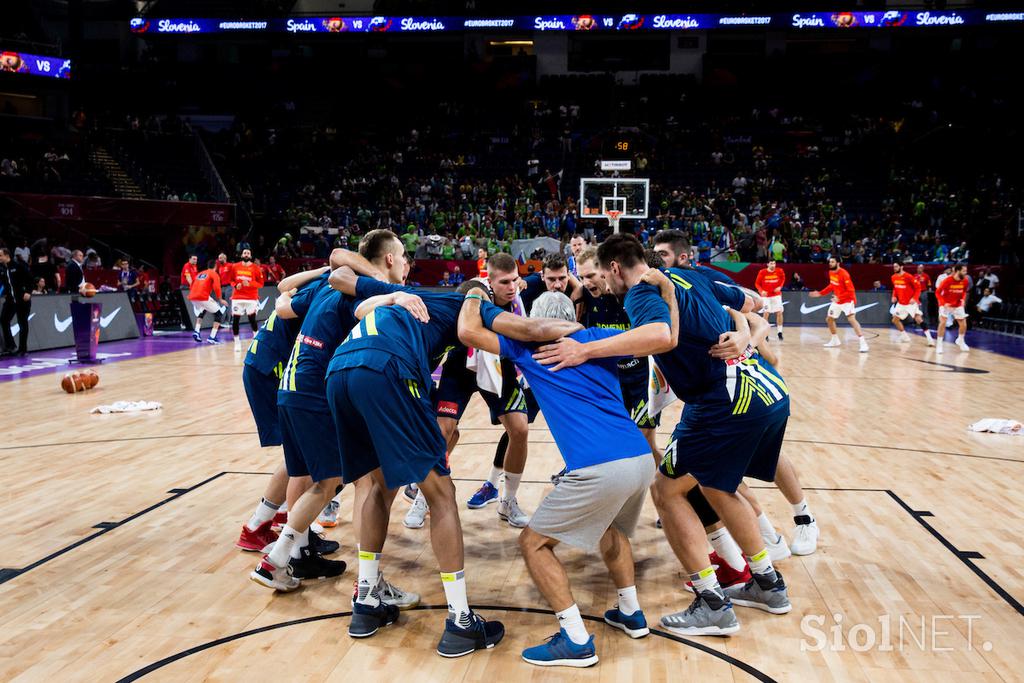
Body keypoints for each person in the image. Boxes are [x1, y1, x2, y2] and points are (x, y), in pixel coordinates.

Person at [533, 234, 792, 636]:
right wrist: (746, 335)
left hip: (723, 400)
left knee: (668, 491)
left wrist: (584, 351)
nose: (601, 281)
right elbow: (752, 303)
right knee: (718, 488)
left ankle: (713, 602)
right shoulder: (691, 275)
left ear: (615, 268)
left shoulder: (639, 292)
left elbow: (660, 336)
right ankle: (768, 582)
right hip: (764, 389)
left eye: (602, 273)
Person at [326, 276, 578, 655]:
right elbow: (531, 328)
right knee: (441, 494)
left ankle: (365, 602)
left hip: (340, 369)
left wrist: (393, 295)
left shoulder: (416, 295)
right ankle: (461, 622)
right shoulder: (469, 304)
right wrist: (590, 336)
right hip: (385, 368)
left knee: (378, 486)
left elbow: (360, 307)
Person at [459, 288, 664, 667]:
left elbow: (468, 332)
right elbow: (657, 337)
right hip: (639, 457)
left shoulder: (528, 348)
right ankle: (631, 613)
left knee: (534, 544)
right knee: (612, 531)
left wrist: (475, 293)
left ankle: (574, 637)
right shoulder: (601, 338)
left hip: (600, 466)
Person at [251, 232, 416, 599]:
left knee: (312, 479)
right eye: (403, 256)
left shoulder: (328, 286)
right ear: (389, 259)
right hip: (316, 392)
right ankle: (365, 582)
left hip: (289, 387)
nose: (406, 263)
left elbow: (282, 305)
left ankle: (288, 556)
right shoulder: (365, 290)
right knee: (359, 483)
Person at [410, 252, 537, 528]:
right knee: (442, 430)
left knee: (520, 428)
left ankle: (508, 501)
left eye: (515, 280)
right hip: (461, 367)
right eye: (504, 282)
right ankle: (423, 497)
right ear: (489, 281)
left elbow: (543, 282)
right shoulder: (475, 292)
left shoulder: (519, 296)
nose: (512, 287)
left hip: (498, 367)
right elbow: (470, 285)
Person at [236, 266, 327, 555]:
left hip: (263, 361)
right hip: (271, 367)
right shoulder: (331, 287)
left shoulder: (320, 280)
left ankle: (281, 518)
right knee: (302, 455)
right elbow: (285, 306)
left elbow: (283, 286)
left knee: (299, 453)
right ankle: (258, 527)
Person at [809, 257, 868, 352]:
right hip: (837, 300)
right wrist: (820, 293)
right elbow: (832, 285)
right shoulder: (831, 272)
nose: (830, 263)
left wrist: (840, 298)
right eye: (829, 262)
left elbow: (851, 291)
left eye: (832, 262)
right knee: (829, 319)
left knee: (851, 319)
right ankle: (835, 340)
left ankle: (863, 343)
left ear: (838, 263)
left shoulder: (844, 274)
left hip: (847, 300)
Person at [229, 249, 265, 352]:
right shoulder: (235, 266)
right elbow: (231, 280)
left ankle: (256, 341)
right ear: (241, 255)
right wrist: (236, 285)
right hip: (237, 297)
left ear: (251, 255)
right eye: (244, 253)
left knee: (252, 320)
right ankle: (237, 343)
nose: (246, 254)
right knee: (235, 320)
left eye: (248, 253)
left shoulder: (256, 268)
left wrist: (249, 284)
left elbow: (261, 284)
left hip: (251, 298)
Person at [890, 263, 933, 345]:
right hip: (901, 303)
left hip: (911, 303)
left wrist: (915, 298)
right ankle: (905, 336)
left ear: (901, 267)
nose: (894, 268)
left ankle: (930, 339)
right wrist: (894, 296)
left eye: (896, 266)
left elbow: (918, 287)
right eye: (894, 267)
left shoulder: (908, 276)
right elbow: (895, 288)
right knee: (895, 320)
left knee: (918, 319)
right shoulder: (893, 277)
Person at [0, 248, 32, 356]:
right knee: (4, 320)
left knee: (22, 323)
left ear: (7, 255)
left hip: (22, 299)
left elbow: (30, 279)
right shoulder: (2, 269)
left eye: (0, 255)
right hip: (10, 300)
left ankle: (23, 349)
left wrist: (28, 291)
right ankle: (11, 346)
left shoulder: (18, 266)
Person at [188, 260, 227, 344]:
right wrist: (220, 299)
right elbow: (217, 287)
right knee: (219, 314)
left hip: (192, 296)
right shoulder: (214, 273)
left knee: (203, 310)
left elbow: (191, 285)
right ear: (215, 267)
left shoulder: (200, 273)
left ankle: (196, 331)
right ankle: (212, 337)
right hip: (202, 296)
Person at [935, 264, 970, 354]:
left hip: (957, 304)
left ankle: (960, 340)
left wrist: (962, 300)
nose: (965, 273)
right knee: (943, 322)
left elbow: (964, 292)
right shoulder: (947, 280)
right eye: (963, 271)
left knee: (963, 324)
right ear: (957, 271)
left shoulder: (965, 281)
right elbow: (938, 293)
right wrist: (943, 303)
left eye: (966, 271)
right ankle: (939, 344)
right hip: (945, 304)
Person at [755, 260, 786, 341]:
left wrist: (780, 287)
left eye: (774, 263)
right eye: (771, 263)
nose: (773, 265)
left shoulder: (780, 271)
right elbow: (757, 284)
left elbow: (783, 279)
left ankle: (780, 332)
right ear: (768, 264)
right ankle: (765, 334)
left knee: (779, 312)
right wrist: (761, 291)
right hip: (766, 296)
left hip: (776, 295)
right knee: (766, 313)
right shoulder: (762, 272)